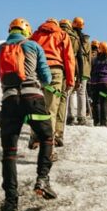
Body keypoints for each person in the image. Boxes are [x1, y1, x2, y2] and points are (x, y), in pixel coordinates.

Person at [0, 18, 57, 211]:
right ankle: (42, 179)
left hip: (9, 103)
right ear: (26, 32)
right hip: (33, 98)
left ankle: (11, 202)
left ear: (10, 31)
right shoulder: (33, 46)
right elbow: (46, 78)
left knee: (9, 153)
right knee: (46, 138)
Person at [30, 18, 75, 151]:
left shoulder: (36, 35)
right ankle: (49, 146)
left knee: (36, 106)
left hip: (38, 70)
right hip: (56, 71)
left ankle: (35, 136)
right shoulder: (62, 34)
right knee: (51, 108)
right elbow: (69, 58)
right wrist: (70, 80)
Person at [67, 17, 91, 126]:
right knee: (81, 93)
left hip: (72, 66)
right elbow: (89, 58)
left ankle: (70, 116)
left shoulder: (71, 37)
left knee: (71, 92)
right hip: (84, 69)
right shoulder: (87, 41)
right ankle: (81, 117)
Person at [58, 19, 80, 128]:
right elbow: (76, 55)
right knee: (67, 93)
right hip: (70, 66)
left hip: (56, 66)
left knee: (54, 94)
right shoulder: (75, 37)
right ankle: (69, 116)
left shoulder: (55, 34)